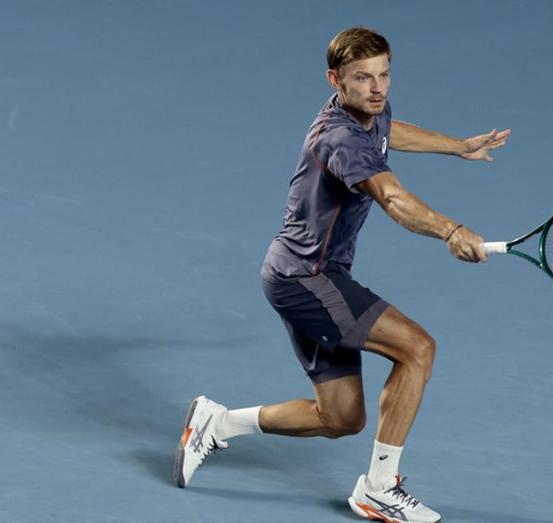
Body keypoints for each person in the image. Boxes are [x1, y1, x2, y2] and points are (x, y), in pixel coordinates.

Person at [174, 26, 510, 523]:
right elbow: (392, 197)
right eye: (362, 78)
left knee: (341, 416)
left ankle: (216, 424)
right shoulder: (340, 140)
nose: (378, 88)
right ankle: (379, 488)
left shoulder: (369, 110)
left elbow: (391, 130)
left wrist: (457, 146)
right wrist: (450, 230)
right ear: (335, 80)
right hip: (308, 278)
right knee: (418, 348)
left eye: (384, 74)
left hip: (296, 272)